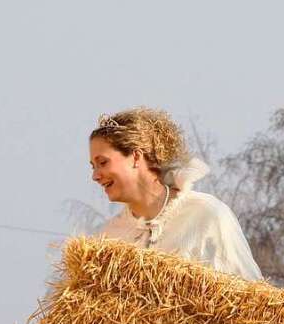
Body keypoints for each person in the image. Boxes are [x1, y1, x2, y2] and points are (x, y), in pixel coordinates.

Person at [90, 108, 262, 281]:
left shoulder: (206, 215)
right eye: (93, 166)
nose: (95, 176)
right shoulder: (107, 238)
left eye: (103, 162)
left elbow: (250, 297)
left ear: (136, 157)